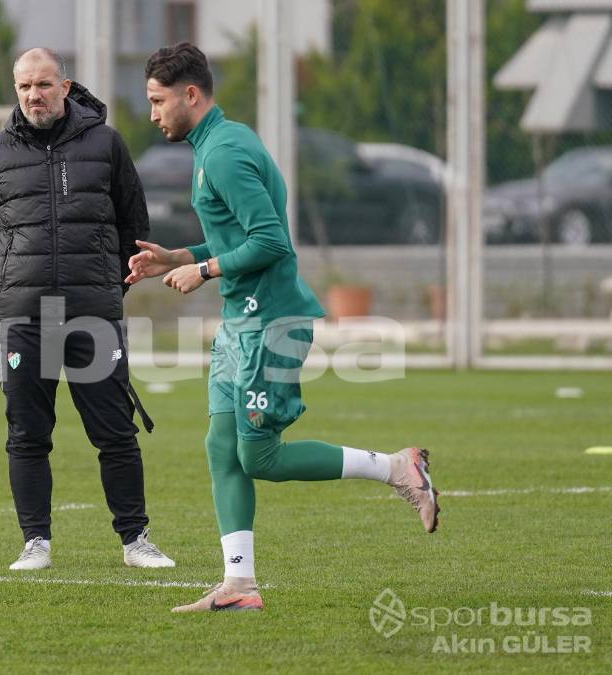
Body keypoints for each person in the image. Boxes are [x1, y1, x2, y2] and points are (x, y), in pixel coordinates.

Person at [126, 43, 440, 612]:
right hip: (240, 322)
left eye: (157, 101)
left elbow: (270, 241)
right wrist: (178, 257)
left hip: (270, 322)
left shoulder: (221, 153)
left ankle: (398, 468)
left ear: (190, 95)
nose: (152, 114)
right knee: (221, 449)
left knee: (260, 458)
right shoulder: (220, 142)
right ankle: (239, 585)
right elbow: (237, 236)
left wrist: (205, 269)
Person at [0, 47, 174, 571]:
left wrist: (104, 283)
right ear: (16, 91)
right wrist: (15, 280)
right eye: (24, 87)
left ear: (65, 85)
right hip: (22, 318)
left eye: (43, 84)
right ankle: (35, 542)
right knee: (27, 434)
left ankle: (135, 541)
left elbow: (133, 222)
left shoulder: (106, 143)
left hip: (91, 313)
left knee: (115, 433)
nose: (34, 95)